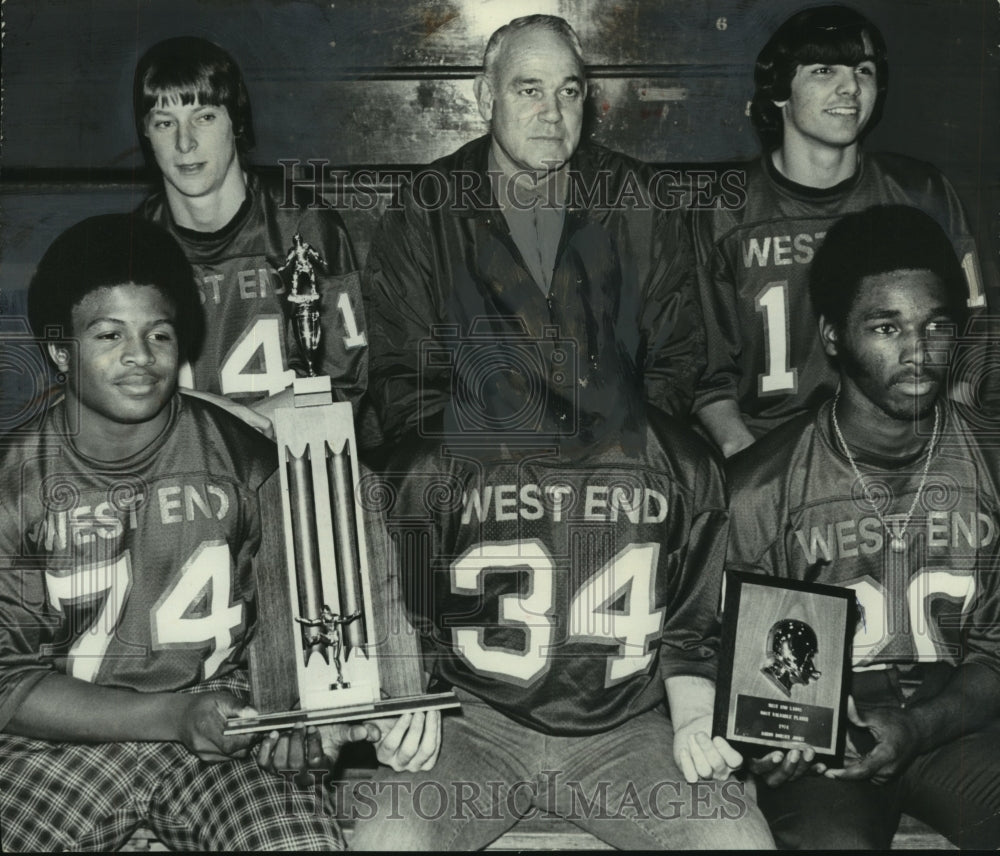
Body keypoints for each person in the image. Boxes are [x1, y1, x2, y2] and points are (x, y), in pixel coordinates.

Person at [0, 215, 434, 851]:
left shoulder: (247, 460)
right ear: (61, 350)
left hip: (219, 741)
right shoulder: (15, 479)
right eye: (109, 335)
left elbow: (296, 650)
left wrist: (296, 731)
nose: (139, 356)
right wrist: (173, 717)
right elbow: (7, 683)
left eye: (159, 333)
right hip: (62, 741)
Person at [347, 361, 775, 849]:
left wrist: (696, 715)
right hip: (471, 718)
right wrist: (399, 700)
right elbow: (396, 607)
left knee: (737, 840)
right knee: (388, 841)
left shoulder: (683, 462)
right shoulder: (436, 458)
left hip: (623, 724)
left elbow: (688, 629)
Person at [726, 204, 1000, 849]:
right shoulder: (761, 486)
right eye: (885, 327)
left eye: (937, 326)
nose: (918, 353)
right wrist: (765, 736)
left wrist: (919, 727)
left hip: (959, 725)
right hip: (828, 750)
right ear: (831, 337)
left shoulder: (990, 459)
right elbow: (731, 664)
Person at [362, 14, 704, 453]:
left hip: (618, 471)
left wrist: (620, 459)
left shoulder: (638, 198)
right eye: (529, 91)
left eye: (568, 91)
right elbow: (403, 375)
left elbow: (674, 358)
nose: (554, 114)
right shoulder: (425, 208)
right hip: (478, 476)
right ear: (486, 99)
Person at [692, 4, 994, 457]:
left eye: (864, 70)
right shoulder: (724, 210)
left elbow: (975, 325)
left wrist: (949, 441)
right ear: (780, 90)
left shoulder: (921, 193)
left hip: (900, 445)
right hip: (769, 447)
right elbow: (703, 369)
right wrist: (747, 460)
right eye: (823, 69)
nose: (850, 86)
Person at [134, 37, 367, 435]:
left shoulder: (302, 226)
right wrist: (230, 420)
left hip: (291, 459)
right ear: (146, 135)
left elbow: (339, 385)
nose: (184, 143)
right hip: (182, 466)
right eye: (164, 122)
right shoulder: (135, 243)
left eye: (204, 117)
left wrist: (224, 428)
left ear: (236, 123)